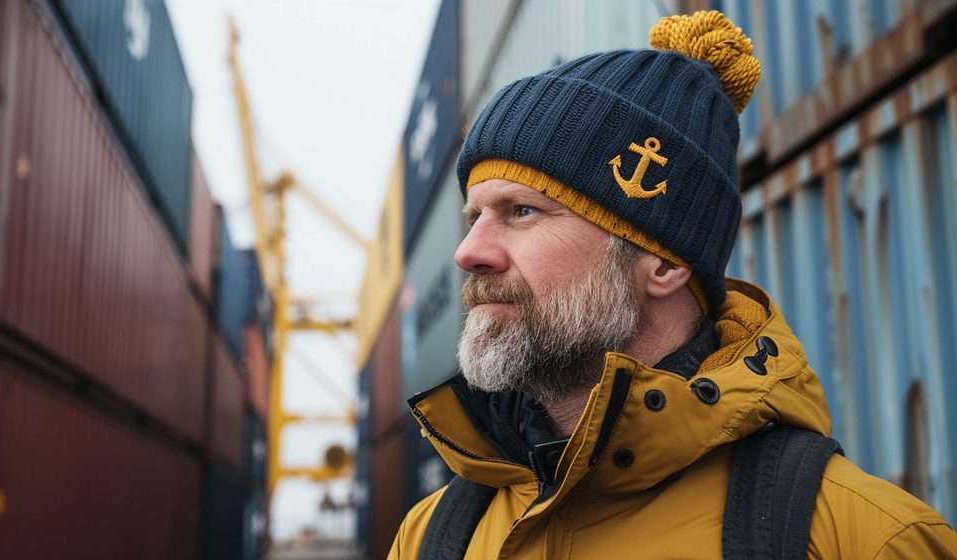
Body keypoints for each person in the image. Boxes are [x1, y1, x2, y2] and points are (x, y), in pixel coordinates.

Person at [389, 10, 957, 559]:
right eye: (474, 218)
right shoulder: (431, 535)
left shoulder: (863, 539)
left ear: (662, 263)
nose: (469, 254)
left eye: (522, 212)